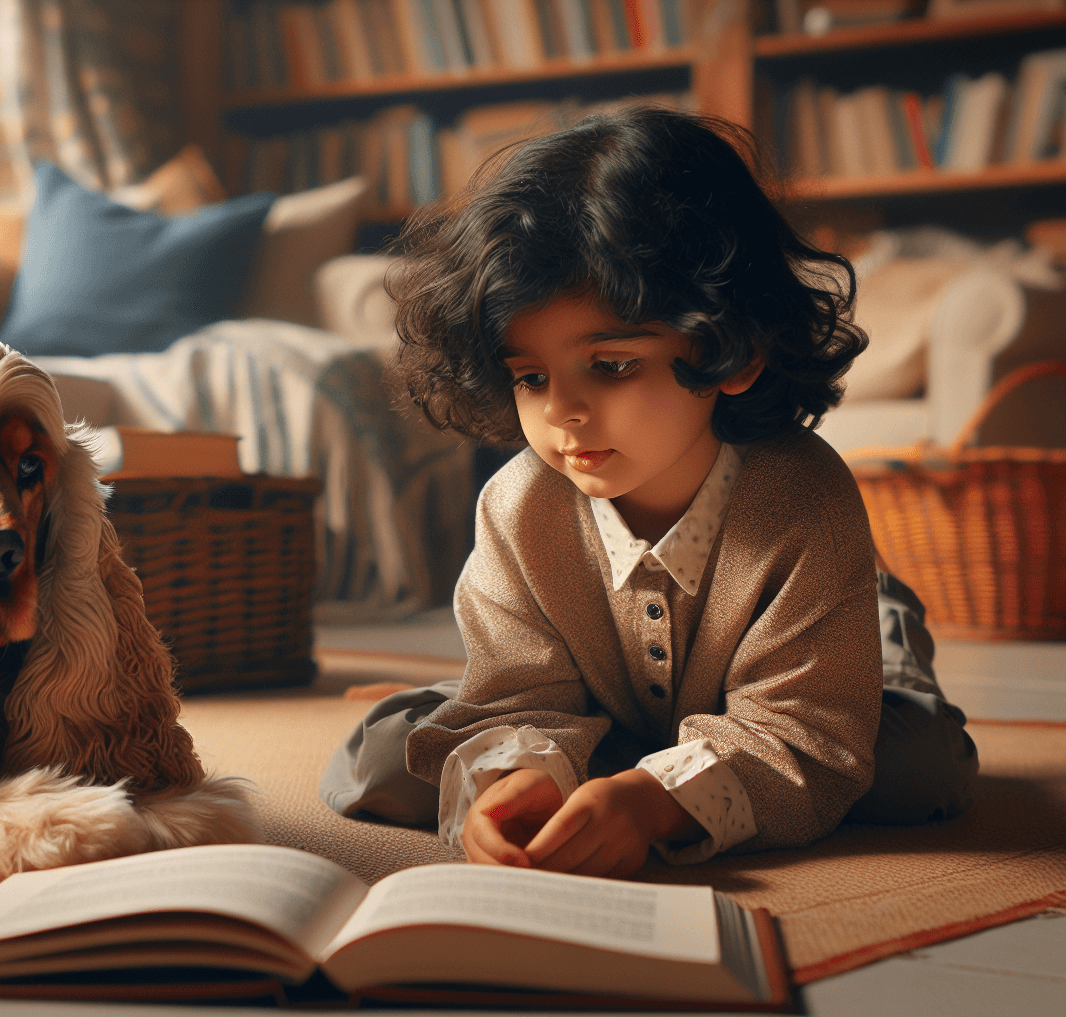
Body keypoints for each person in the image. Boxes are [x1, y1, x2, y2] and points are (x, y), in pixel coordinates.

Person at [320, 106, 977, 877]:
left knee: (915, 770)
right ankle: (631, 752)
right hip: (603, 704)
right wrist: (515, 781)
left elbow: (806, 735)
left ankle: (880, 622)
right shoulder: (517, 505)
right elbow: (519, 698)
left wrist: (650, 801)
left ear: (731, 349)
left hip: (794, 676)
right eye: (531, 376)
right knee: (382, 760)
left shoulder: (808, 497)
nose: (561, 410)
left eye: (611, 365)